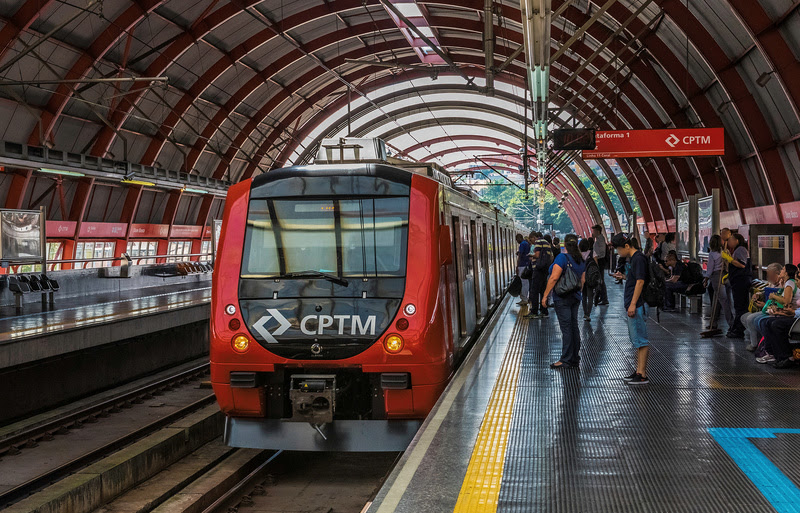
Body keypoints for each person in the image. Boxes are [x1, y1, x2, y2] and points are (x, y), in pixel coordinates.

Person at [541, 234, 586, 369]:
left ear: (564, 244)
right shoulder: (580, 260)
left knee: (566, 328)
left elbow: (554, 278)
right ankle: (575, 357)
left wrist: (545, 296)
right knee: (574, 326)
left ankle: (566, 359)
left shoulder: (562, 257)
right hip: (575, 297)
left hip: (562, 297)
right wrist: (577, 292)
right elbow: (582, 280)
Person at [611, 233, 650, 385]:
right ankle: (639, 370)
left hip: (638, 303)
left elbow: (640, 281)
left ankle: (643, 374)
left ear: (627, 246)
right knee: (637, 339)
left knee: (641, 339)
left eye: (619, 249)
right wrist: (624, 277)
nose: (618, 253)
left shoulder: (638, 259)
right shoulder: (635, 259)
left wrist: (633, 303)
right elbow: (635, 279)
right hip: (635, 303)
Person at [741, 263, 786, 352]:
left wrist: (764, 305)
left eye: (770, 275)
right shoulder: (771, 283)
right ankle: (758, 340)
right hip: (767, 308)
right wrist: (758, 295)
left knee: (752, 319)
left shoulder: (784, 285)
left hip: (773, 309)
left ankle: (755, 344)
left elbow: (781, 302)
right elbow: (764, 291)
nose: (768, 277)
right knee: (743, 317)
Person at [723, 234, 752, 338]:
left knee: (740, 306)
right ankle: (737, 328)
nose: (729, 242)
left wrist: (729, 259)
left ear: (737, 240)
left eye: (731, 239)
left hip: (741, 281)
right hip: (738, 281)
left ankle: (738, 329)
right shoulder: (738, 249)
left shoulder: (740, 249)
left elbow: (742, 264)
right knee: (739, 306)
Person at [703, 235, 733, 331]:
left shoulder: (712, 254)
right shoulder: (726, 252)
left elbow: (710, 269)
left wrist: (706, 279)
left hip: (717, 277)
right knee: (719, 301)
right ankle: (713, 322)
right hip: (726, 276)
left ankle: (731, 323)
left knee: (723, 301)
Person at [526, 232, 552, 319]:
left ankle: (534, 311)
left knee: (534, 291)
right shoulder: (546, 243)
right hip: (545, 269)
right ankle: (544, 311)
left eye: (531, 239)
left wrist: (531, 255)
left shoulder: (538, 242)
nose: (531, 242)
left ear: (534, 237)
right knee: (543, 290)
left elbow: (537, 255)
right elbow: (551, 257)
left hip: (538, 269)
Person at [591, 225, 609, 306]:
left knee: (600, 280)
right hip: (599, 261)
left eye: (594, 231)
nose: (593, 233)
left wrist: (596, 258)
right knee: (600, 279)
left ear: (597, 231)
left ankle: (604, 298)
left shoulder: (600, 240)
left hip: (600, 261)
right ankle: (602, 297)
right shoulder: (598, 239)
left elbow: (601, 252)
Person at [516, 233, 531, 306]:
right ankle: (525, 298)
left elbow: (520, 255)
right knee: (525, 282)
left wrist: (517, 265)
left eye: (517, 239)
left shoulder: (522, 244)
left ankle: (524, 299)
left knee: (523, 282)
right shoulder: (526, 243)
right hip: (526, 264)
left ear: (519, 238)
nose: (517, 241)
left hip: (522, 265)